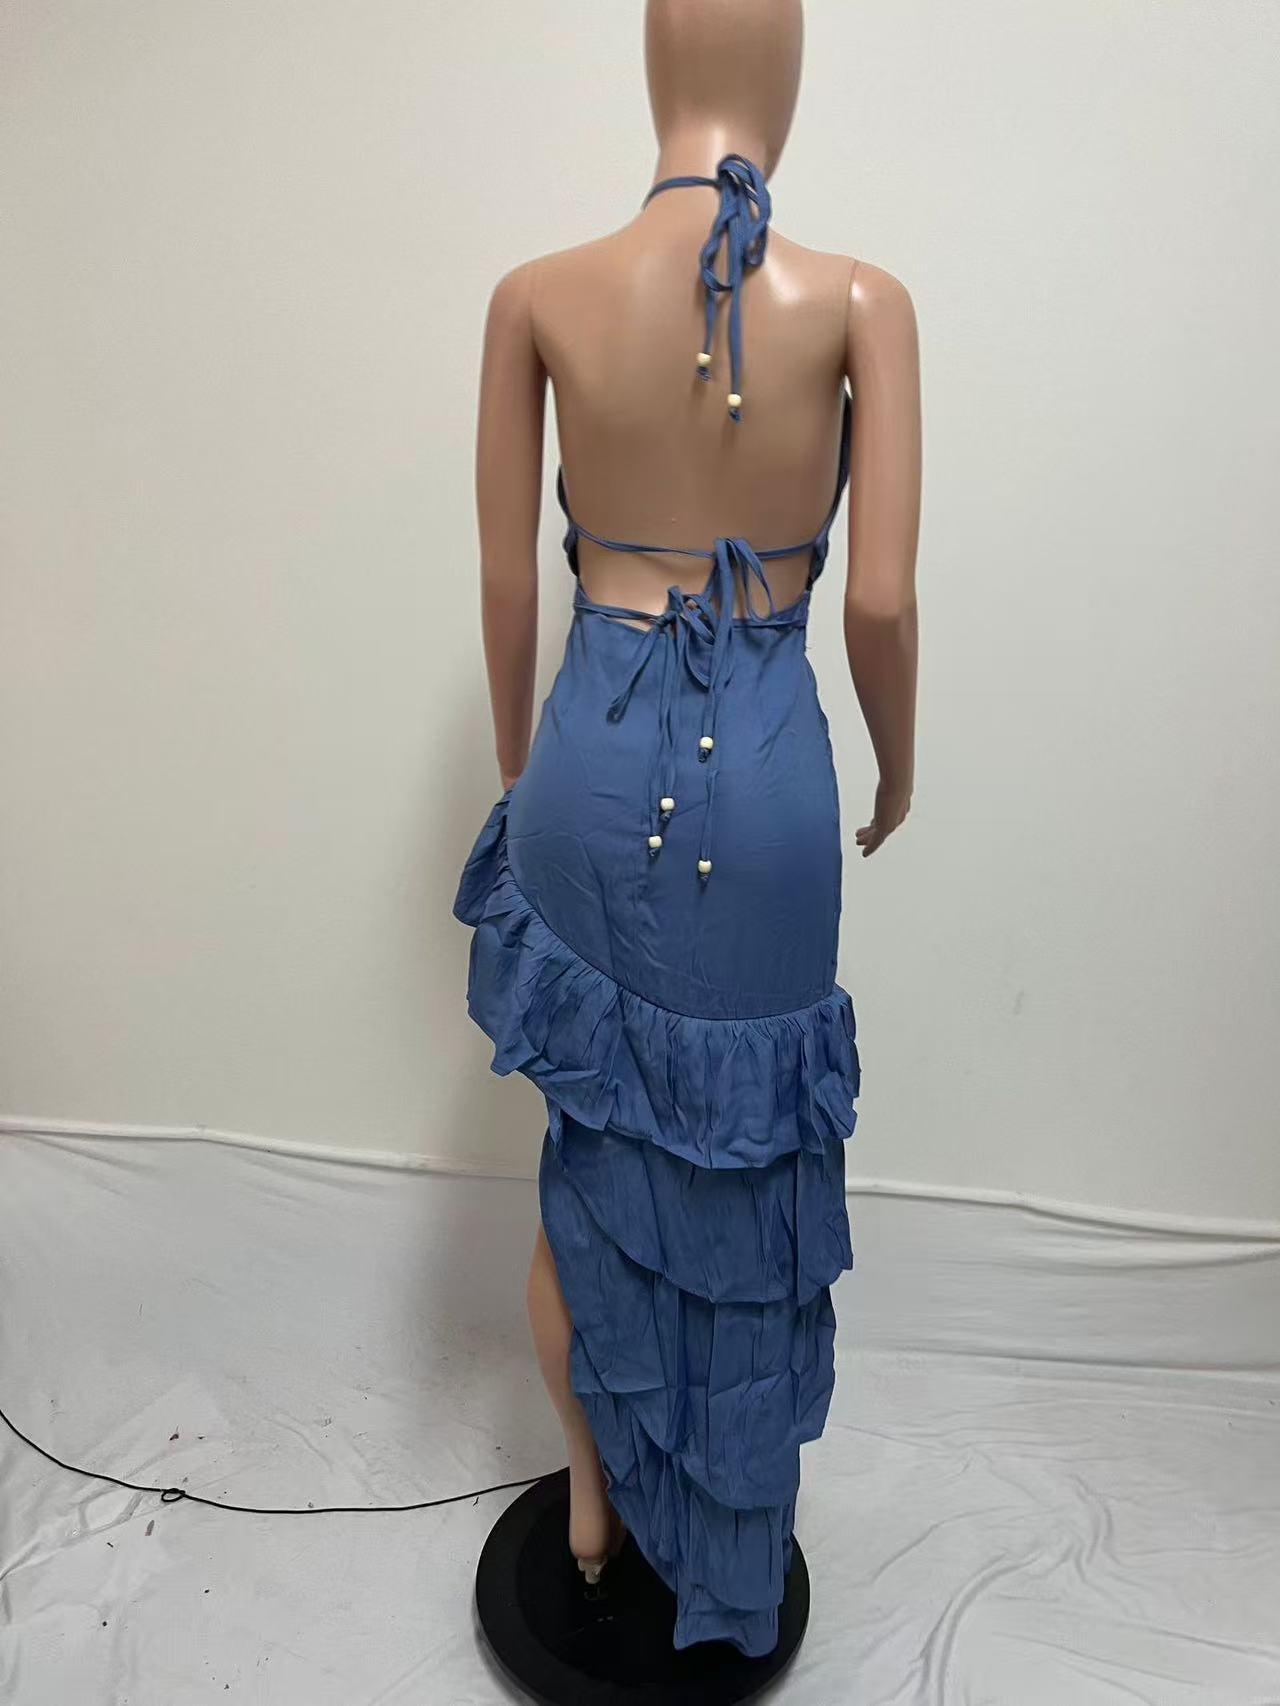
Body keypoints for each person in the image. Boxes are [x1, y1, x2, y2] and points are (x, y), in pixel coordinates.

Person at [455, 0, 920, 1659]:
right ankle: (724, 1517)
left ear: (652, 65)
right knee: (749, 1179)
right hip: (771, 776)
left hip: (585, 763)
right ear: (785, 72)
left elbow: (506, 577)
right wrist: (899, 769)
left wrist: (524, 768)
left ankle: (590, 1503)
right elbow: (879, 600)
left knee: (587, 1169)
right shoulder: (861, 303)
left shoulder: (538, 294)